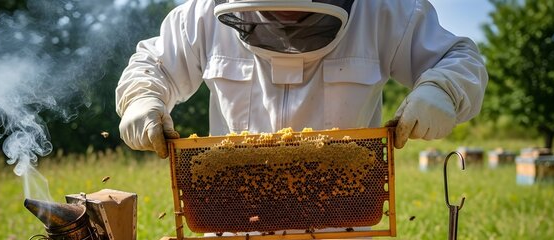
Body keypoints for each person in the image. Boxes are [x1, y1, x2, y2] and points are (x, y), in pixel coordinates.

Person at [116, 0, 487, 158]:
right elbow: (154, 64)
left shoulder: (385, 10)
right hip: (234, 229)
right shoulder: (203, 14)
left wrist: (443, 88)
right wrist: (141, 99)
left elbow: (460, 57)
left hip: (346, 233)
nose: (285, 21)